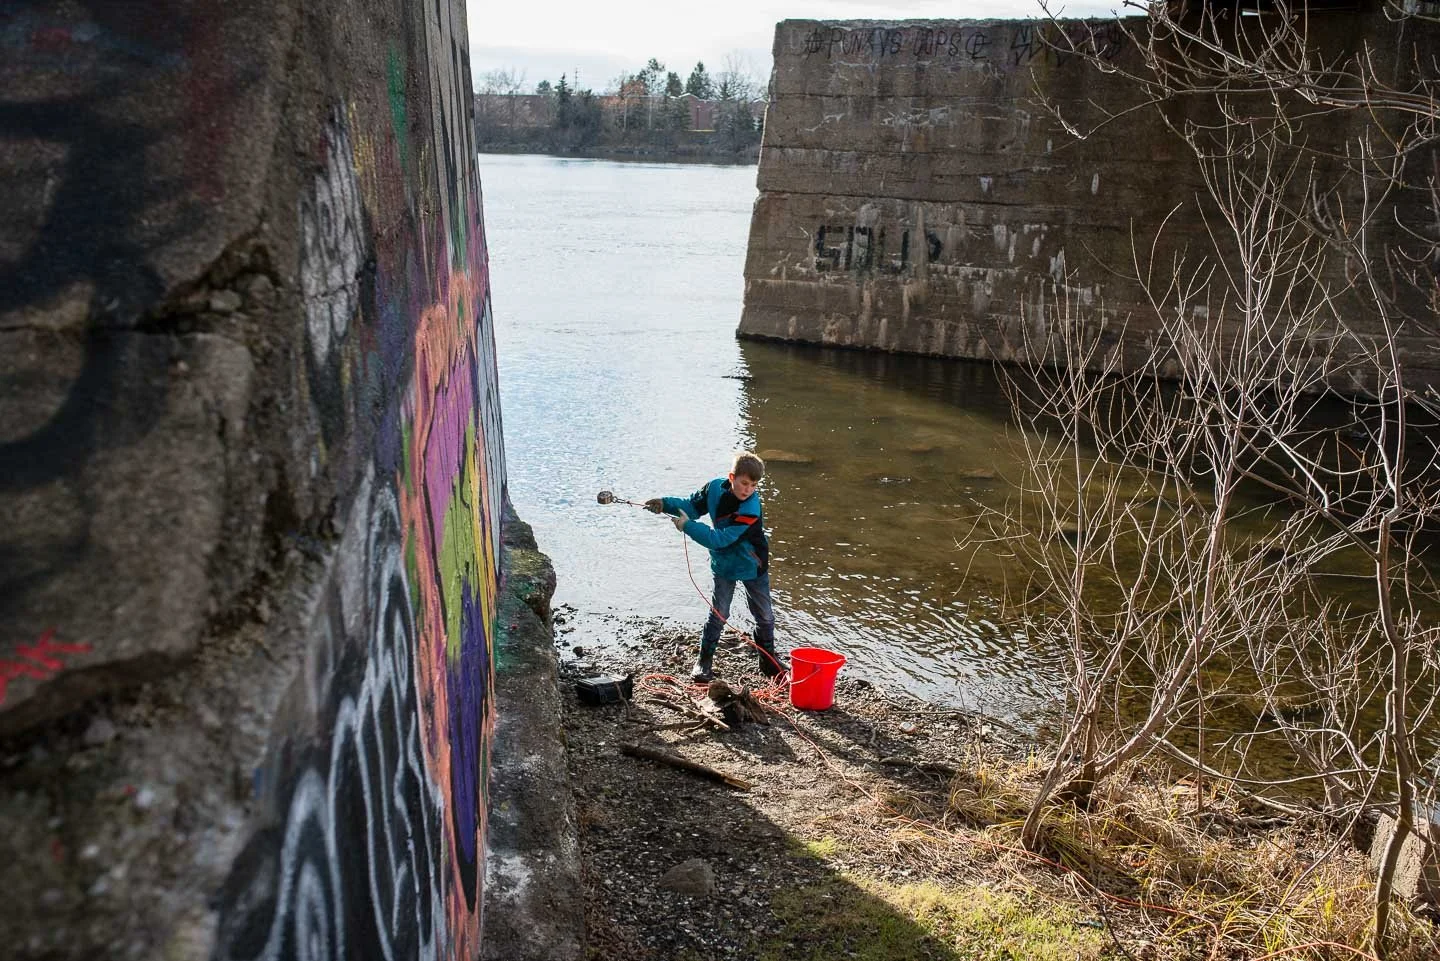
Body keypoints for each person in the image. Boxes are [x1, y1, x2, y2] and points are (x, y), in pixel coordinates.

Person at [646, 451, 787, 682]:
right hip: (724, 565)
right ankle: (703, 662)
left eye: (753, 485)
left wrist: (687, 527)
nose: (748, 490)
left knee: (765, 616)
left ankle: (768, 661)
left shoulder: (751, 509)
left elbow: (719, 539)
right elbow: (691, 507)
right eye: (743, 483)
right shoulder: (713, 489)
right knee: (719, 613)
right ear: (731, 477)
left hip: (753, 564)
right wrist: (665, 504)